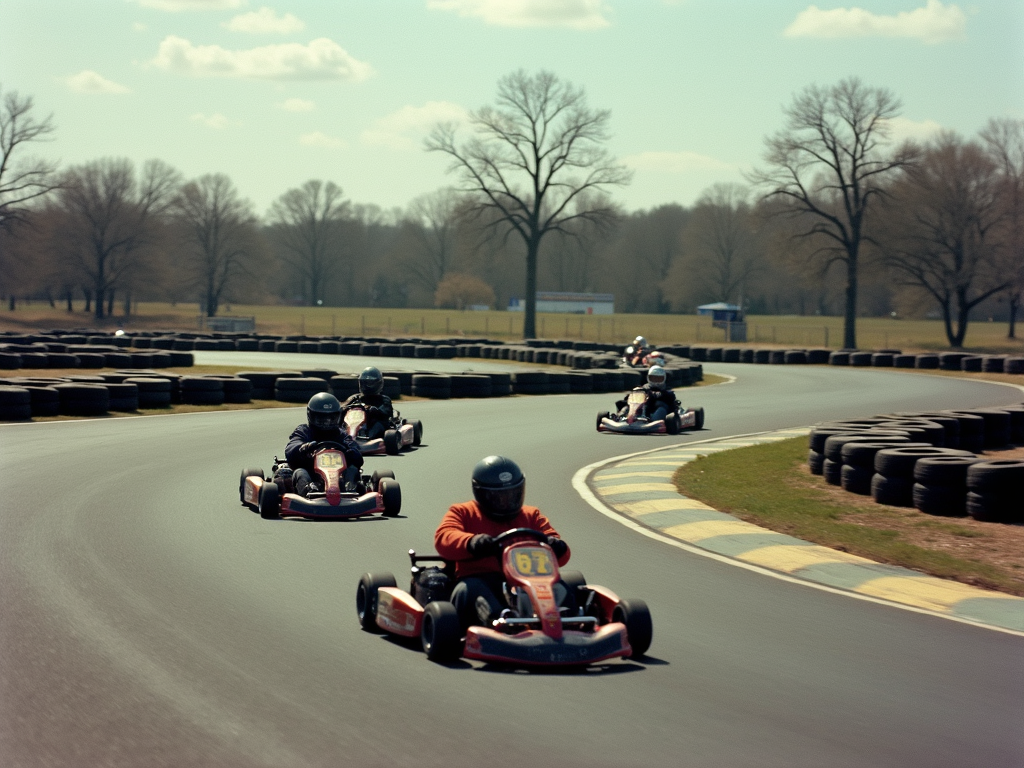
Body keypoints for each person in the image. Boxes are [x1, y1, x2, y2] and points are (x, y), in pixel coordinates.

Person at [434, 456, 574, 629]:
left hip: (529, 582)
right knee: (468, 589)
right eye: (497, 497)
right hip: (482, 579)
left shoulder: (531, 515)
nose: (506, 502)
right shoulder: (464, 512)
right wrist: (472, 542)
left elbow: (558, 549)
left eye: (512, 495)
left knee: (561, 585)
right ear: (481, 493)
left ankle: (571, 621)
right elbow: (444, 537)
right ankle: (500, 625)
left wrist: (556, 546)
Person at [283, 392, 364, 496]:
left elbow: (357, 453)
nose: (327, 422)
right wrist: (303, 448)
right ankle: (308, 492)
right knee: (300, 472)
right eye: (321, 418)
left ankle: (351, 490)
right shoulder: (304, 431)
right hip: (311, 474)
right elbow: (291, 448)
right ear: (311, 415)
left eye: (331, 418)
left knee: (352, 469)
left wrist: (349, 452)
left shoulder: (341, 434)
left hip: (338, 476)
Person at [341, 366, 394, 440]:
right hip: (354, 423)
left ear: (378, 383)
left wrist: (373, 410)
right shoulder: (355, 398)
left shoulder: (384, 399)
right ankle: (344, 436)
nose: (366, 386)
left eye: (370, 383)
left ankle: (368, 438)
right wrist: (344, 409)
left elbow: (386, 412)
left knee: (378, 424)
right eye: (364, 382)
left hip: (373, 424)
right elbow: (343, 406)